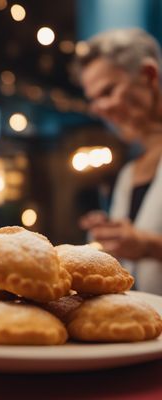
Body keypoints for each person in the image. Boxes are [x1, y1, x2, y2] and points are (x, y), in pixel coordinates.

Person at [74, 28, 162, 294]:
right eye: (93, 100)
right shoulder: (129, 174)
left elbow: (144, 244)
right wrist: (110, 235)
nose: (99, 109)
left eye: (108, 91)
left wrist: (148, 245)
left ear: (148, 76)